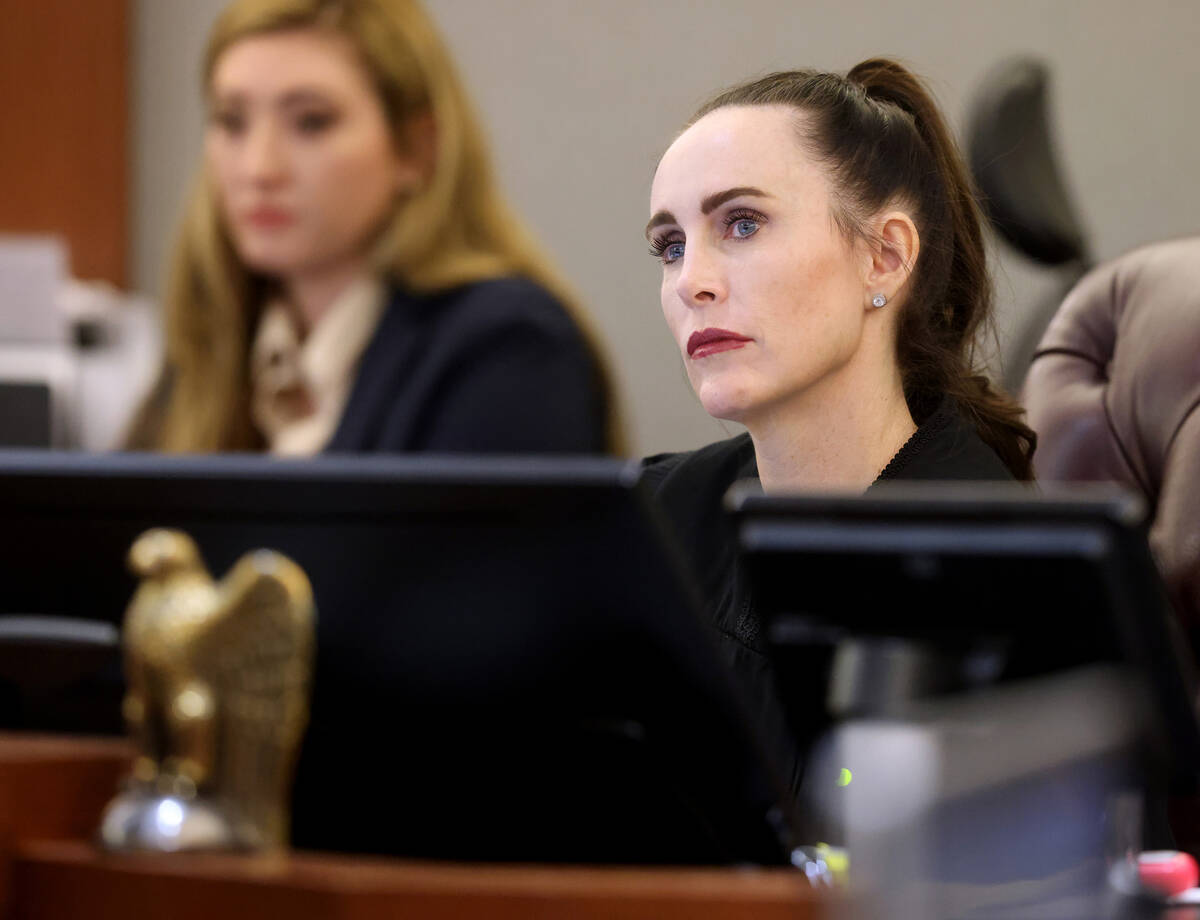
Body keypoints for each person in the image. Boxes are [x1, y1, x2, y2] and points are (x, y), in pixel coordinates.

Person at [641, 60, 1036, 796]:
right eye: (670, 245)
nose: (693, 279)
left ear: (884, 257)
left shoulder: (1002, 578)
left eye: (742, 223)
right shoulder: (651, 521)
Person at [127, 0, 619, 455]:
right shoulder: (210, 343)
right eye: (232, 122)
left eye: (311, 122)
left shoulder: (507, 345)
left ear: (416, 149)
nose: (258, 168)